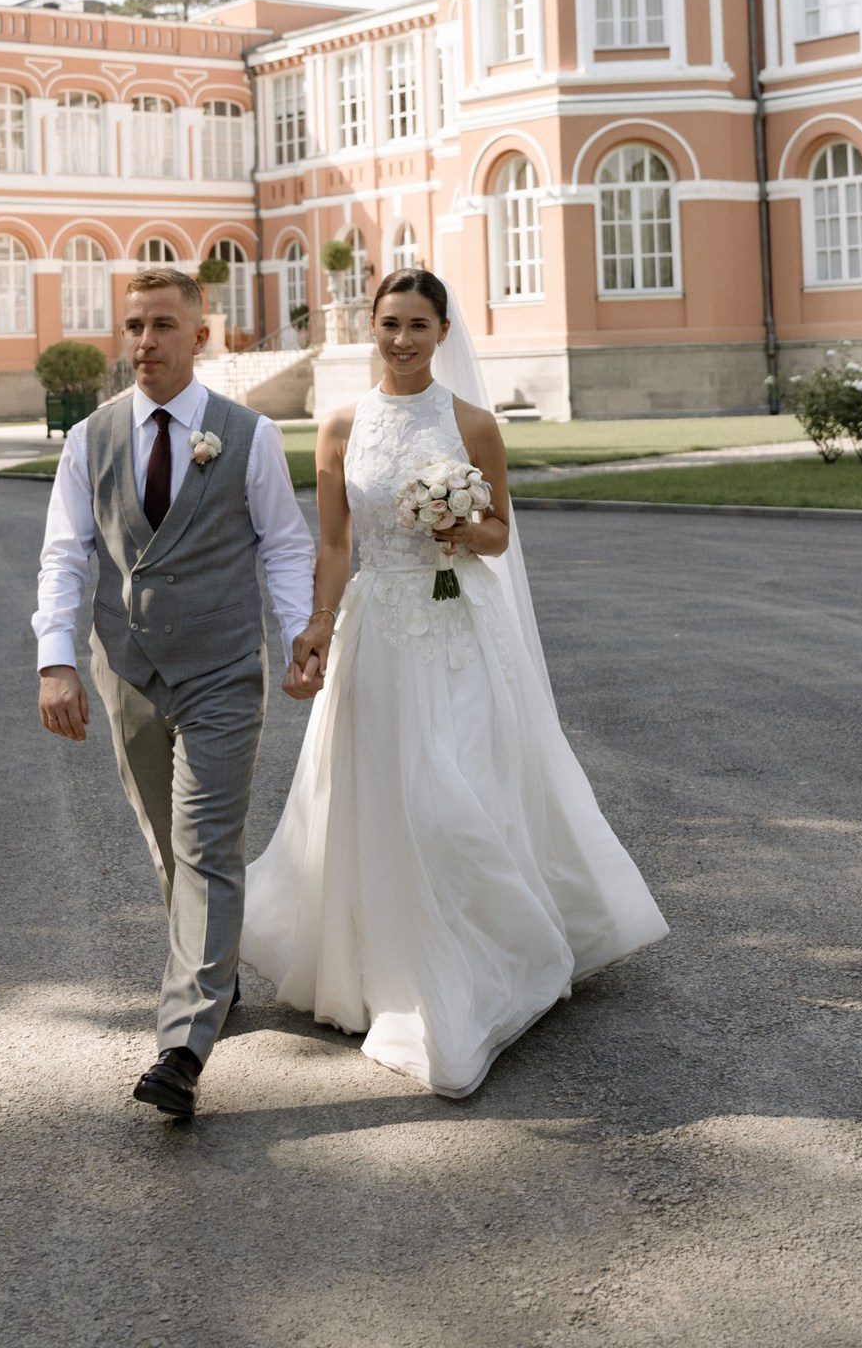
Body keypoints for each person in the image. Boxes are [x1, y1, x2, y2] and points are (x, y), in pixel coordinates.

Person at [242, 267, 668, 1099]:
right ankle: (391, 970)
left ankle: (486, 963)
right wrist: (318, 624)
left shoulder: (472, 422)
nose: (400, 339)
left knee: (453, 790)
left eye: (417, 325)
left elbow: (500, 534)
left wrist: (457, 524)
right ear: (371, 327)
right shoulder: (338, 425)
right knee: (383, 794)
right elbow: (335, 544)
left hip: (459, 629)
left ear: (442, 332)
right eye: (388, 323)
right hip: (379, 632)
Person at [34, 265, 327, 1120]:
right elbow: (65, 554)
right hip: (126, 668)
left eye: (163, 325)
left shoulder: (248, 434)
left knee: (204, 844)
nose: (144, 341)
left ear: (201, 336)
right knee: (169, 844)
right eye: (133, 325)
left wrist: (299, 634)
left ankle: (182, 1048)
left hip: (221, 668)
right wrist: (55, 660)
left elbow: (284, 545)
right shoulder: (89, 438)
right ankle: (213, 975)